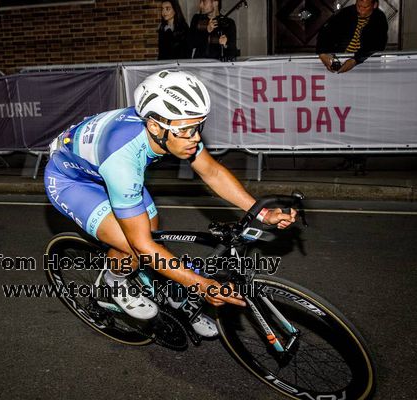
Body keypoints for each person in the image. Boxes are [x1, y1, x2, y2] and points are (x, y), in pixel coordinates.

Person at [44, 70, 296, 337]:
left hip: (103, 165)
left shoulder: (171, 126)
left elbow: (212, 172)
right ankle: (115, 280)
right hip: (72, 181)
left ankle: (171, 291)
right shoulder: (123, 160)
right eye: (186, 130)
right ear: (155, 127)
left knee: (152, 231)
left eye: (198, 126)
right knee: (133, 245)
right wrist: (200, 285)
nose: (196, 137)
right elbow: (143, 246)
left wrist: (262, 212)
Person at [316, 0, 388, 74]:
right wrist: (322, 52)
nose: (361, 10)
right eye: (358, 6)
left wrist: (355, 60)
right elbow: (326, 32)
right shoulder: (346, 12)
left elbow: (377, 44)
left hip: (365, 65)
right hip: (340, 60)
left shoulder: (379, 18)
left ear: (375, 5)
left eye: (365, 7)